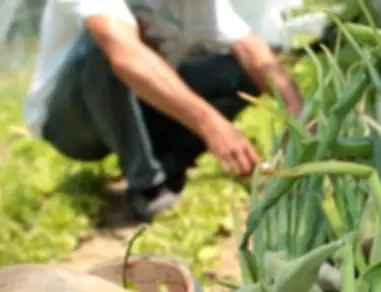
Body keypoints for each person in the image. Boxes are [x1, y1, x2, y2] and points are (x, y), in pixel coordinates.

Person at [23, 0, 305, 221]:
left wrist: (300, 113)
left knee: (238, 72)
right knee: (104, 44)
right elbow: (125, 57)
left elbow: (250, 50)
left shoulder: (200, 5)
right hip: (73, 125)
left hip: (137, 108)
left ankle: (169, 161)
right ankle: (146, 186)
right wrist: (211, 124)